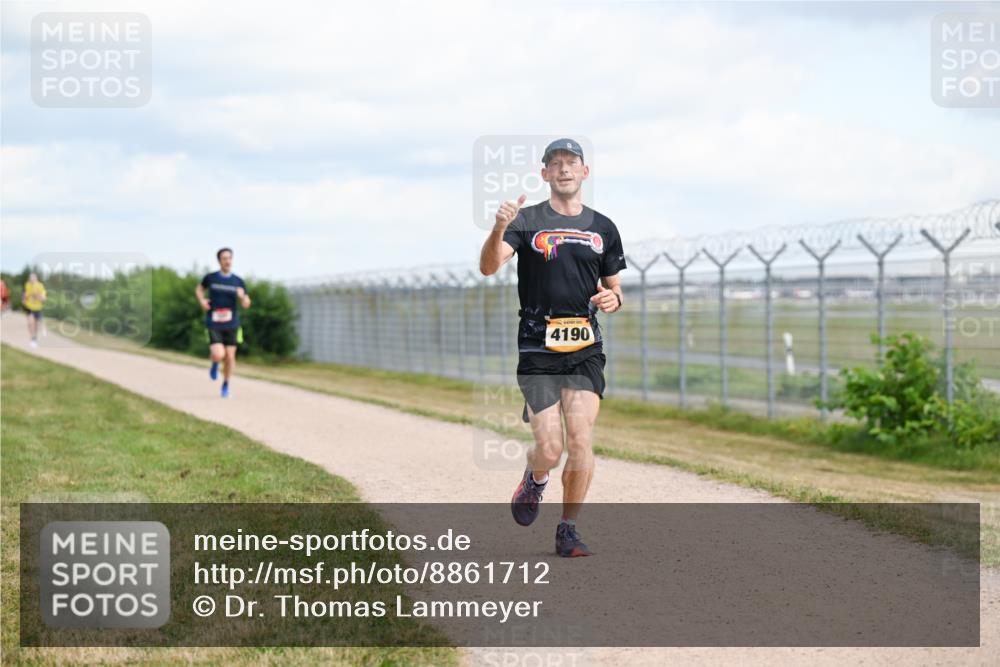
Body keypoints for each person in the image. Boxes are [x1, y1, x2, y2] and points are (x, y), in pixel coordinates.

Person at [479, 138, 626, 557]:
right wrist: (498, 228)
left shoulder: (604, 228)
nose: (563, 169)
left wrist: (614, 299)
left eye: (571, 162)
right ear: (544, 174)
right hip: (538, 349)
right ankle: (535, 478)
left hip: (585, 348)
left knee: (580, 438)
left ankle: (568, 528)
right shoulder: (526, 221)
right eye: (555, 163)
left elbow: (614, 289)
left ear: (584, 172)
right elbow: (489, 267)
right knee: (551, 448)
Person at [195, 248, 251, 398]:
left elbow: (247, 304)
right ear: (219, 261)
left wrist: (242, 297)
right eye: (224, 258)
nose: (227, 261)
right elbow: (199, 289)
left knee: (230, 357)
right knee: (219, 354)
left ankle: (225, 385)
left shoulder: (238, 281)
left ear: (232, 260)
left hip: (232, 323)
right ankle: (214, 364)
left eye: (229, 258)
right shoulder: (211, 278)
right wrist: (202, 301)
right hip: (214, 322)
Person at [21, 273, 47, 348]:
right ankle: (33, 339)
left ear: (36, 279)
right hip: (29, 308)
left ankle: (37, 336)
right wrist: (24, 298)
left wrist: (37, 295)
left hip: (38, 308)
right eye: (30, 279)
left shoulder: (40, 286)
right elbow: (25, 294)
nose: (31, 280)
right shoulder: (27, 285)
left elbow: (44, 299)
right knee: (30, 322)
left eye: (33, 279)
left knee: (37, 324)